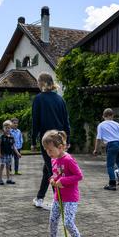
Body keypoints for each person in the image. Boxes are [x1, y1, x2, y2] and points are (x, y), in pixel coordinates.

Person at [40, 130, 87, 237]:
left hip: (70, 198)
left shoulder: (68, 159)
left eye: (50, 150)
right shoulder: (54, 159)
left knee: (68, 222)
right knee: (53, 221)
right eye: (46, 150)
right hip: (58, 197)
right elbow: (56, 174)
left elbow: (79, 176)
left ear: (60, 147)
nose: (48, 153)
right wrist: (52, 179)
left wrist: (63, 181)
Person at [31, 73, 70, 209]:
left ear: (42, 83)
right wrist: (67, 139)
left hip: (47, 140)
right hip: (60, 139)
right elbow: (66, 122)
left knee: (52, 170)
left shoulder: (39, 99)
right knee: (48, 169)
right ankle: (40, 198)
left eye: (38, 81)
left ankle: (58, 203)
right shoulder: (60, 99)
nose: (37, 84)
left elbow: (35, 122)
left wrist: (33, 141)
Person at [93, 108, 119, 191]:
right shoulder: (116, 124)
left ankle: (112, 184)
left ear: (103, 116)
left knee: (110, 165)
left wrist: (96, 149)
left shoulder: (101, 125)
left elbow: (98, 138)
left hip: (112, 145)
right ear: (112, 116)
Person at [0, 120, 21, 185]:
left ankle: (8, 179)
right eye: (6, 128)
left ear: (10, 128)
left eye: (9, 128)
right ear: (3, 128)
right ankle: (0, 179)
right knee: (2, 166)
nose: (7, 129)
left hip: (9, 154)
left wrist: (17, 153)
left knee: (8, 167)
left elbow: (14, 146)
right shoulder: (2, 137)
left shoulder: (11, 137)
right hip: (3, 154)